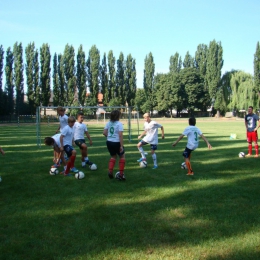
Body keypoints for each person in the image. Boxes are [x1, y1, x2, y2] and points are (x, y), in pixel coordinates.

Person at [103, 110, 126, 181]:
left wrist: (110, 137)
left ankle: (110, 171)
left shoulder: (108, 123)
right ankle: (121, 175)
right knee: (122, 156)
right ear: (118, 116)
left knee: (113, 156)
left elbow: (104, 133)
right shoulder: (119, 124)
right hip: (116, 142)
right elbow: (120, 135)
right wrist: (121, 146)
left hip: (109, 142)